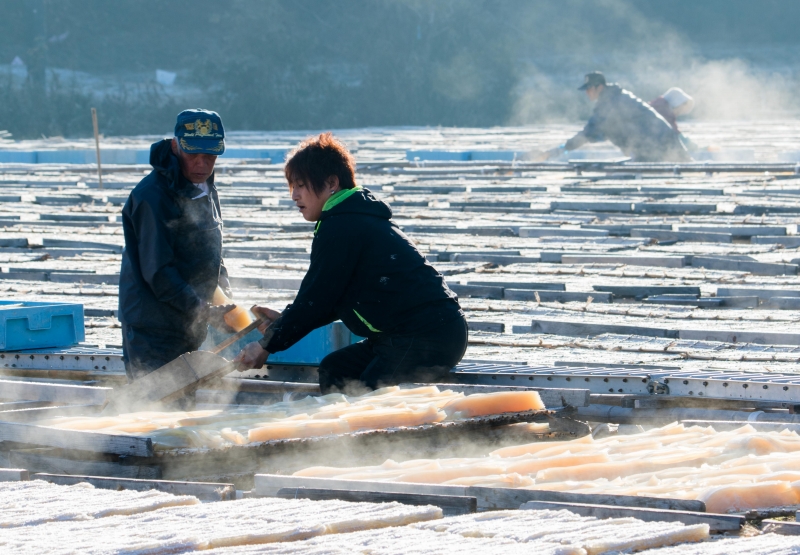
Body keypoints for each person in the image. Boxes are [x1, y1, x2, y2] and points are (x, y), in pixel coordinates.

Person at [234, 133, 468, 393]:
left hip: (427, 335)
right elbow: (330, 298)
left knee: (368, 393)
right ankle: (335, 432)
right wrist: (284, 323)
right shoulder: (349, 218)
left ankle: (366, 434)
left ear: (332, 182)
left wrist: (266, 345)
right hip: (408, 335)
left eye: (300, 185)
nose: (294, 196)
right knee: (337, 369)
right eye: (292, 186)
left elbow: (317, 297)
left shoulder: (342, 226)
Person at [119, 109, 235, 382]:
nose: (201, 164)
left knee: (182, 410)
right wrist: (200, 308)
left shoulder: (205, 189)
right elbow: (157, 269)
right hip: (153, 329)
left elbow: (211, 253)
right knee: (156, 408)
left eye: (209, 156)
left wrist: (227, 299)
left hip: (188, 324)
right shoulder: (152, 197)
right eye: (193, 154)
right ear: (175, 146)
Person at [548, 72, 691, 163]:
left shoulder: (611, 103)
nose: (587, 92)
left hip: (658, 146)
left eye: (589, 88)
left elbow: (589, 132)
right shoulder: (615, 98)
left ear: (600, 87)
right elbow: (598, 134)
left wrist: (557, 151)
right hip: (654, 146)